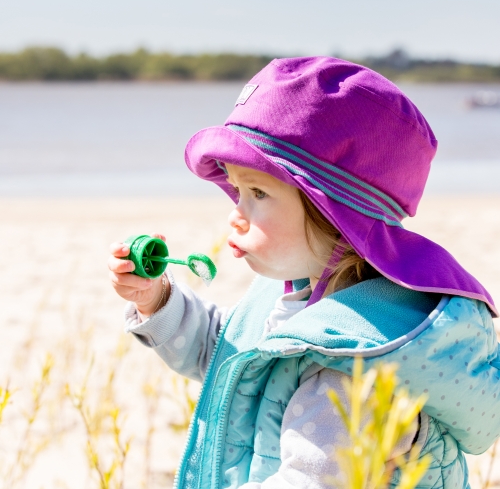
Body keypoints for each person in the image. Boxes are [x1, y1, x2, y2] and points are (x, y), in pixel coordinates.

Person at [108, 57, 500, 488]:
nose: (235, 215)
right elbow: (228, 357)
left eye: (258, 192)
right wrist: (159, 301)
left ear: (338, 220)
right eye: (237, 190)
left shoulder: (354, 373)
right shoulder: (301, 298)